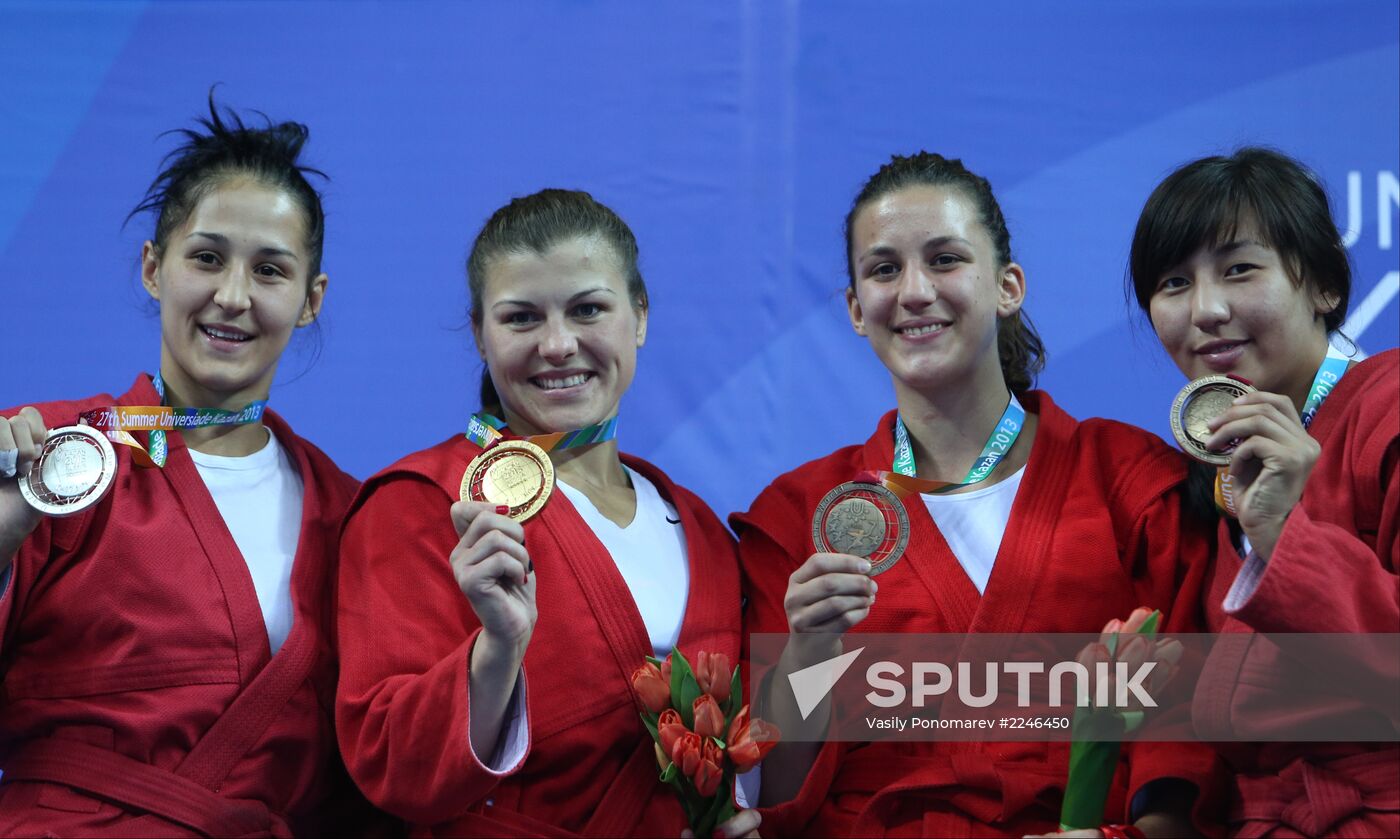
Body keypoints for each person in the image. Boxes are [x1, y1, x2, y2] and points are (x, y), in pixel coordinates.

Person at [734, 152, 1221, 837]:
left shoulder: (1128, 481)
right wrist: (808, 651)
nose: (913, 291)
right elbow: (776, 787)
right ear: (854, 308)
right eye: (883, 269)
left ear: (1008, 285)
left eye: (944, 259)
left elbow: (1190, 739)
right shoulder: (800, 515)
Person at [336, 189, 758, 838]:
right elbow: (392, 762)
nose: (558, 344)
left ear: (639, 316)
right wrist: (498, 649)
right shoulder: (422, 500)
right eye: (521, 318)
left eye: (588, 309)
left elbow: (748, 753)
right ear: (479, 332)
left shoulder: (700, 528)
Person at [0, 98, 370, 836]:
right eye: (206, 257)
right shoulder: (44, 455)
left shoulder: (352, 515)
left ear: (310, 300)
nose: (232, 296)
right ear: (151, 267)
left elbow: (372, 777)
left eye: (270, 269)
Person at [1129, 147, 1399, 838]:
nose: (1206, 310)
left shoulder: (1389, 408)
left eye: (1239, 269)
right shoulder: (1216, 474)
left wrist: (1285, 533)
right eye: (1172, 282)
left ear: (1323, 286)